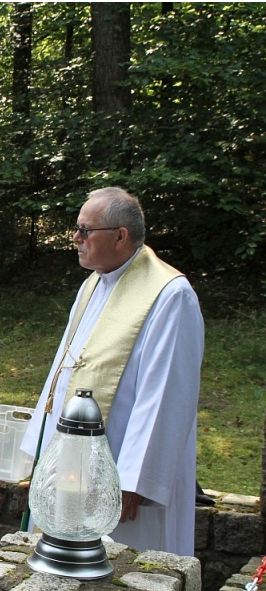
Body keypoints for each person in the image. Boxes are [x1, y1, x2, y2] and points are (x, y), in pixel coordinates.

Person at [21, 187, 204, 557]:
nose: (76, 238)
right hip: (73, 459)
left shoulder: (170, 295)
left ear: (121, 236)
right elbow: (65, 366)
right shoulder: (94, 284)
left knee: (127, 573)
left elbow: (167, 395)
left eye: (86, 230)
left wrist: (138, 481)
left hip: (124, 469)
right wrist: (40, 449)